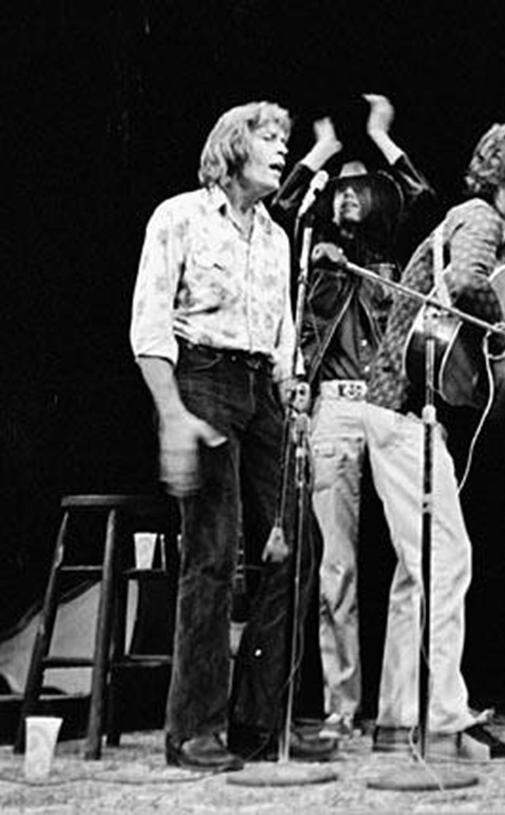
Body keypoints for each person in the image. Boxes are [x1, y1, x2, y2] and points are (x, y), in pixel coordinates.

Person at [306, 119, 505, 762]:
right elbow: (473, 284)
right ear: (496, 170)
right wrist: (501, 336)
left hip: (399, 413)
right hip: (400, 411)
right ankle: (444, 719)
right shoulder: (480, 219)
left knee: (420, 571)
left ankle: (396, 717)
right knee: (447, 560)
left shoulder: (481, 228)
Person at [129, 101, 336, 771]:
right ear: (232, 147)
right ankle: (194, 728)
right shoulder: (180, 217)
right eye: (270, 138)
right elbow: (151, 324)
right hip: (202, 377)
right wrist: (172, 415)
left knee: (298, 542)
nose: (283, 150)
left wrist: (292, 394)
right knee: (214, 552)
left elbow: (280, 337)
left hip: (260, 389)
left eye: (286, 139)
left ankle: (259, 720)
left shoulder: (277, 238)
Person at [271, 94, 435, 741]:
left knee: (411, 555)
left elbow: (422, 194)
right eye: (336, 190)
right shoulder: (313, 260)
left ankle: (397, 708)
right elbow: (284, 206)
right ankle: (342, 705)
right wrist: (321, 151)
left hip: (387, 405)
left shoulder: (392, 256)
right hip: (332, 409)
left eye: (356, 189)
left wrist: (378, 136)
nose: (344, 196)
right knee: (334, 567)